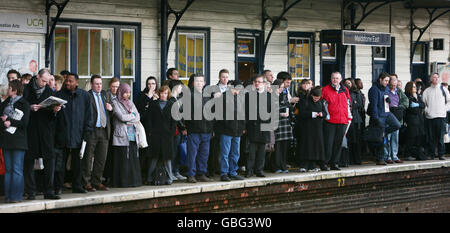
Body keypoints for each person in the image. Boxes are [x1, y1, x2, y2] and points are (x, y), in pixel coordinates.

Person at [22, 68, 62, 200]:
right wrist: (29, 108)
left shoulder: (49, 91)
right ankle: (30, 191)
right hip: (30, 130)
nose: (45, 84)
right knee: (28, 160)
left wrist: (55, 110)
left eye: (47, 81)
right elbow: (19, 106)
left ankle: (48, 191)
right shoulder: (26, 89)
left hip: (46, 131)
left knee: (50, 159)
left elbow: (52, 116)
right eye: (43, 81)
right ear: (37, 77)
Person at [55, 72, 94, 193]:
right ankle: (58, 187)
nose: (67, 83)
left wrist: (87, 132)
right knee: (60, 163)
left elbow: (89, 115)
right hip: (62, 134)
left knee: (78, 163)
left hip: (79, 134)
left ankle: (77, 185)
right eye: (66, 80)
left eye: (70, 81)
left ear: (77, 82)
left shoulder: (85, 96)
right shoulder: (59, 95)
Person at [81, 75, 113, 192]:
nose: (99, 86)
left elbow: (111, 112)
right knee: (88, 158)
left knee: (101, 158)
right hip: (92, 131)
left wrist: (111, 109)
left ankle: (97, 181)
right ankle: (86, 182)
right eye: (96, 84)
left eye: (100, 84)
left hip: (104, 130)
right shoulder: (87, 96)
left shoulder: (105, 95)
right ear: (92, 84)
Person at [0, 80, 30, 203]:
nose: (7, 90)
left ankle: (16, 196)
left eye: (10, 88)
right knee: (8, 169)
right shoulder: (5, 103)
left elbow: (25, 123)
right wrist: (3, 121)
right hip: (6, 139)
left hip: (19, 140)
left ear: (15, 90)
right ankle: (8, 196)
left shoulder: (24, 103)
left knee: (17, 169)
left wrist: (10, 121)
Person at [184, 75, 214, 183]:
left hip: (206, 131)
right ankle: (190, 175)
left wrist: (211, 128)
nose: (199, 83)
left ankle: (201, 174)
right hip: (194, 130)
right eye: (197, 81)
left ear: (204, 83)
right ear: (193, 83)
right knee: (192, 154)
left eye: (201, 81)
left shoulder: (208, 97)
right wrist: (185, 127)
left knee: (204, 154)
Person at [111, 83, 142, 187]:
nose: (127, 95)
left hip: (132, 134)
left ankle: (133, 181)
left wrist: (130, 118)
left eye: (129, 92)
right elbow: (121, 117)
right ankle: (122, 182)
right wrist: (131, 117)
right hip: (121, 135)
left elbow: (138, 116)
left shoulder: (130, 102)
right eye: (125, 92)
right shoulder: (115, 103)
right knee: (123, 159)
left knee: (133, 159)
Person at [145, 85, 177, 185]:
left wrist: (171, 133)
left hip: (167, 136)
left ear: (168, 94)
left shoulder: (172, 105)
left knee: (167, 158)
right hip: (155, 134)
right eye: (162, 93)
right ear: (159, 94)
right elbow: (149, 119)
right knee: (154, 157)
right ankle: (149, 178)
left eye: (166, 93)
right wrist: (150, 131)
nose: (163, 95)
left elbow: (174, 121)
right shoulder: (153, 104)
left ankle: (169, 177)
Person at [367, 72, 401, 165]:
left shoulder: (386, 88)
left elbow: (386, 99)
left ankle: (385, 131)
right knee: (380, 138)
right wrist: (376, 118)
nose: (387, 82)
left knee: (397, 125)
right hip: (379, 115)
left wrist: (389, 101)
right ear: (380, 79)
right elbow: (373, 105)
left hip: (387, 112)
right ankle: (380, 158)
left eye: (388, 81)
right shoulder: (374, 89)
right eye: (385, 80)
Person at [215, 80, 246, 181]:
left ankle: (233, 172)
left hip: (237, 131)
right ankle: (224, 173)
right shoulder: (223, 97)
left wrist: (242, 127)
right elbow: (219, 114)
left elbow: (243, 114)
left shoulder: (240, 98)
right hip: (226, 130)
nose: (238, 91)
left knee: (235, 153)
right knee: (225, 153)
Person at [322, 71, 352, 170]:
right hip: (330, 121)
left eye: (337, 78)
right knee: (328, 143)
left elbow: (348, 104)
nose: (335, 80)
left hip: (343, 120)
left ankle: (334, 163)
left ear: (341, 79)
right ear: (331, 79)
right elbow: (322, 105)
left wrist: (348, 117)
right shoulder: (325, 90)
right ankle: (325, 163)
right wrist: (326, 116)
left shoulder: (345, 90)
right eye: (333, 78)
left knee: (338, 144)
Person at [245, 74, 271, 178]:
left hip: (264, 126)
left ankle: (259, 170)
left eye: (259, 82)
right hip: (253, 126)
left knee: (261, 151)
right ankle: (249, 170)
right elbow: (245, 111)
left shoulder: (269, 96)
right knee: (251, 151)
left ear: (264, 84)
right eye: (255, 82)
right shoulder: (249, 95)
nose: (257, 84)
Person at [297, 86, 327, 172]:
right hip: (307, 127)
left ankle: (312, 165)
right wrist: (313, 114)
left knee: (315, 146)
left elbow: (325, 112)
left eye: (317, 98)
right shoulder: (305, 101)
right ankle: (304, 165)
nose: (315, 99)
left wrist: (321, 114)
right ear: (311, 95)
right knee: (306, 145)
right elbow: (302, 113)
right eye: (314, 97)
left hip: (317, 127)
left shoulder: (320, 102)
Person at [135, 76, 159, 181]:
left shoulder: (158, 95)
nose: (151, 86)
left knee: (153, 153)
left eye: (153, 84)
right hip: (144, 127)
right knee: (144, 152)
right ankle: (141, 175)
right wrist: (148, 98)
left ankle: (152, 175)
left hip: (155, 128)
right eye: (149, 84)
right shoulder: (142, 95)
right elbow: (141, 111)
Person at [422, 73, 449, 160]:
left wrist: (444, 109)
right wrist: (427, 111)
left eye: (437, 77)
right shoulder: (427, 91)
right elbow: (424, 103)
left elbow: (449, 101)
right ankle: (431, 154)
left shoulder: (444, 90)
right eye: (434, 77)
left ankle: (441, 154)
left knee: (440, 137)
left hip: (441, 116)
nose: (436, 79)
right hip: (430, 117)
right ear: (431, 79)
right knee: (431, 137)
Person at [208, 69, 229, 178]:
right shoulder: (213, 90)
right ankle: (212, 169)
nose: (225, 79)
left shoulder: (230, 89)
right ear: (219, 78)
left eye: (226, 77)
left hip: (227, 123)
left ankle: (223, 169)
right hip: (216, 122)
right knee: (215, 147)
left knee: (225, 148)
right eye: (223, 77)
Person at [383, 75, 407, 163]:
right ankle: (387, 156)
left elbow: (406, 101)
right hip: (388, 117)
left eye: (395, 85)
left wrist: (399, 107)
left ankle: (395, 156)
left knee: (395, 138)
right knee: (387, 138)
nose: (393, 87)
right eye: (392, 85)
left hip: (397, 117)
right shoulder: (386, 91)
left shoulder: (399, 92)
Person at [272, 79, 293, 173]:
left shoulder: (284, 96)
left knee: (285, 146)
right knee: (277, 147)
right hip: (276, 123)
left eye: (282, 88)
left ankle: (283, 165)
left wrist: (289, 110)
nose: (281, 89)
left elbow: (288, 106)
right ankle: (276, 166)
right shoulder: (271, 97)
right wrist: (280, 114)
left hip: (285, 123)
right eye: (280, 87)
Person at [168, 80, 187, 181]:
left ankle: (176, 171)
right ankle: (171, 172)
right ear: (175, 87)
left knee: (178, 152)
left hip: (179, 131)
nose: (181, 89)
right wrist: (183, 128)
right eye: (180, 87)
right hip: (175, 131)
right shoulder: (171, 100)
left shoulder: (178, 99)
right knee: (173, 152)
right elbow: (177, 117)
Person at [403, 81, 427, 161]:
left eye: (415, 87)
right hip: (411, 120)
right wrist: (418, 106)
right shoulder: (407, 96)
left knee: (418, 138)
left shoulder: (417, 96)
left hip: (419, 120)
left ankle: (416, 154)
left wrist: (417, 104)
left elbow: (423, 105)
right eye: (413, 87)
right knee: (411, 137)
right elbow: (414, 110)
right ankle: (407, 154)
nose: (415, 88)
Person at [344, 78, 364, 165]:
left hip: (356, 120)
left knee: (356, 141)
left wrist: (354, 104)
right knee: (349, 140)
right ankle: (349, 159)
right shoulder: (343, 92)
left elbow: (359, 104)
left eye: (349, 83)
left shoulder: (356, 93)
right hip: (347, 119)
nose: (347, 84)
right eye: (346, 83)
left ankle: (357, 159)